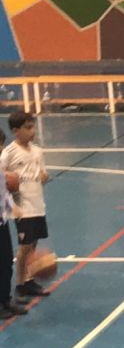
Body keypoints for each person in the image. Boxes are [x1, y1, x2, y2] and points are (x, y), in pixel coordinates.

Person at [1, 112, 50, 300]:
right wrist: (10, 196)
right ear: (15, 131)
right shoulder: (9, 153)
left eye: (33, 127)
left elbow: (42, 173)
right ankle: (20, 284)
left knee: (33, 243)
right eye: (28, 128)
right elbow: (2, 177)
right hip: (22, 206)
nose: (33, 131)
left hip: (38, 203)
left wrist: (44, 177)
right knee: (24, 246)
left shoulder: (37, 151)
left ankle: (28, 280)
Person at [0, 129, 26, 319]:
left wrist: (12, 208)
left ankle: (5, 300)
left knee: (6, 261)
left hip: (2, 223)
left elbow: (4, 194)